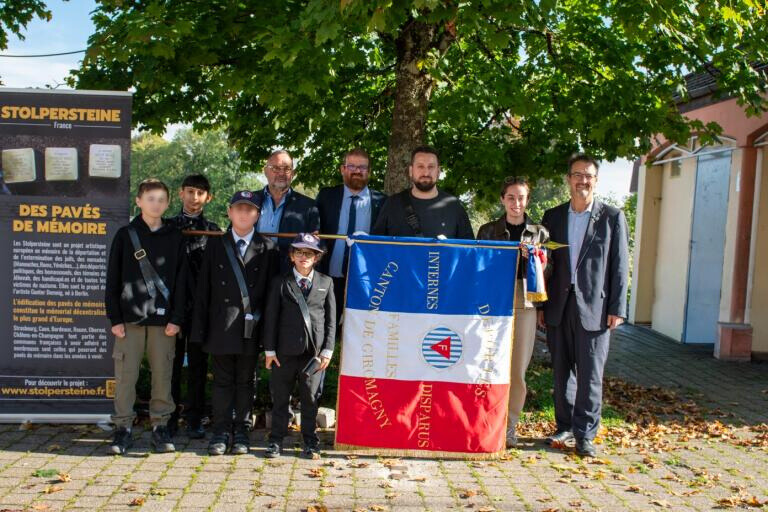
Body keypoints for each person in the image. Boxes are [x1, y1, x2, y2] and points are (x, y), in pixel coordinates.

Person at [539, 154, 629, 457]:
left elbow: (619, 265)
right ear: (568, 179)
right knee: (561, 372)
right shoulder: (552, 217)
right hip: (558, 306)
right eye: (577, 175)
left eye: (588, 175)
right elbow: (543, 267)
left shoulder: (612, 217)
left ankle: (585, 433)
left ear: (596, 180)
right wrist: (540, 305)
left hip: (596, 309)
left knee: (590, 375)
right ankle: (564, 427)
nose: (582, 181)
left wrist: (618, 307)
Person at [190, 191, 279, 456]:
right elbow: (203, 290)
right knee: (221, 382)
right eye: (239, 209)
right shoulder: (215, 245)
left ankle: (241, 431)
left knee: (246, 382)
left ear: (257, 215)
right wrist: (200, 329)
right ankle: (220, 432)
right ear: (229, 212)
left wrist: (268, 333)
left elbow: (272, 296)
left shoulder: (268, 249)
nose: (244, 214)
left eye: (250, 210)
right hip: (221, 326)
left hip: (252, 326)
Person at [104, 179, 188, 455]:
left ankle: (160, 427)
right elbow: (113, 280)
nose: (156, 204)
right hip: (130, 320)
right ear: (139, 202)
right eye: (150, 198)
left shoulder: (175, 237)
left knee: (163, 376)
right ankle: (122, 428)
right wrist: (114, 318)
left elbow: (181, 281)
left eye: (161, 199)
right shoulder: (126, 235)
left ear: (167, 203)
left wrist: (177, 318)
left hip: (164, 322)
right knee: (126, 376)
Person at [477, 176, 550, 448]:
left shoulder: (540, 233)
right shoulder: (486, 230)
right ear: (502, 199)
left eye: (521, 198)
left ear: (527, 200)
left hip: (526, 302)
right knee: (489, 365)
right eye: (511, 197)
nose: (516, 203)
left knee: (517, 369)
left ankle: (510, 426)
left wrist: (536, 261)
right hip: (494, 304)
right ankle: (487, 421)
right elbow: (479, 266)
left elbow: (548, 274)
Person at [262, 234, 336, 459]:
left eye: (310, 253)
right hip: (284, 352)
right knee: (280, 398)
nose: (304, 257)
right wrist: (269, 350)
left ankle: (311, 441)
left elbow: (331, 319)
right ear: (292, 256)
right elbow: (271, 317)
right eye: (300, 252)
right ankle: (276, 440)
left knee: (310, 398)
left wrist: (328, 350)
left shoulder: (326, 282)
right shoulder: (280, 282)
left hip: (314, 354)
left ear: (317, 257)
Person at [168, 174, 220, 439]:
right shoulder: (167, 227)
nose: (194, 198)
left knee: (199, 365)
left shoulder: (213, 230)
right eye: (190, 192)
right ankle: (168, 417)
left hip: (201, 309)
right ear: (180, 194)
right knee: (171, 364)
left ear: (208, 198)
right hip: (172, 307)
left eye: (200, 193)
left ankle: (195, 418)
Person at [316, 148, 386, 322]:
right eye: (352, 166)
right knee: (326, 328)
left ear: (369, 171)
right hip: (329, 276)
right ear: (342, 169)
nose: (357, 171)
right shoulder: (326, 197)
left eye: (362, 167)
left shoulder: (383, 202)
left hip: (366, 280)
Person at [372, 146, 474, 239]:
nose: (426, 173)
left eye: (431, 167)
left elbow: (468, 252)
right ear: (411, 171)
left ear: (438, 172)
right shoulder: (392, 204)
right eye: (420, 166)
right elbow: (375, 249)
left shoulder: (454, 207)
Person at [256, 150, 320, 271]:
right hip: (252, 271)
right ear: (265, 171)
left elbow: (315, 247)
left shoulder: (309, 206)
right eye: (275, 168)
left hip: (288, 277)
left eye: (286, 169)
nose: (281, 173)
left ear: (293, 173)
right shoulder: (249, 201)